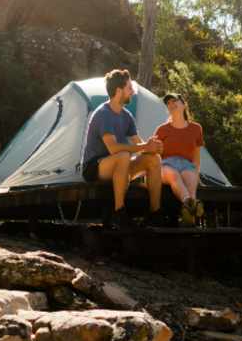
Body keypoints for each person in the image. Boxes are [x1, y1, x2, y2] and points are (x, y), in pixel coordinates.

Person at [80, 69, 165, 228]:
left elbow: (139, 144)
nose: (132, 92)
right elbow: (113, 149)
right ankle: (119, 212)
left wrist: (152, 148)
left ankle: (155, 213)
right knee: (123, 155)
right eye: (129, 88)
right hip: (95, 167)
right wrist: (144, 146)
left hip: (120, 165)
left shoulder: (127, 116)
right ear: (119, 91)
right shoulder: (103, 114)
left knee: (153, 159)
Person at [155, 93, 205, 226]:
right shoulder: (162, 129)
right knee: (174, 175)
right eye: (168, 103)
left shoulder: (196, 128)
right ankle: (190, 202)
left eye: (174, 101)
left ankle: (189, 215)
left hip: (187, 165)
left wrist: (196, 173)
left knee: (190, 176)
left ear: (184, 104)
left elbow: (196, 155)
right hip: (166, 165)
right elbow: (154, 153)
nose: (171, 104)